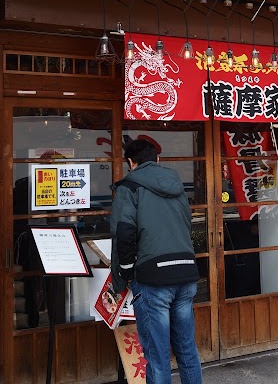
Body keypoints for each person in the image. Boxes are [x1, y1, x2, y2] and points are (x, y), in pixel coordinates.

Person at [111, 138, 201, 384]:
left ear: (131, 162)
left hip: (153, 278)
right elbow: (186, 224)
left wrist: (126, 273)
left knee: (158, 356)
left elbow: (124, 232)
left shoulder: (128, 188)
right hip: (185, 272)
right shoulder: (177, 187)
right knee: (187, 351)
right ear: (157, 159)